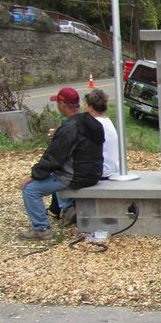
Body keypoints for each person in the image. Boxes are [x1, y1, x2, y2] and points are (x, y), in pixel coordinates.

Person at [18, 87, 104, 240]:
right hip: (94, 173)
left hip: (76, 176)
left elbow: (53, 158)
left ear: (63, 104)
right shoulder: (93, 122)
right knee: (54, 174)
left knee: (30, 190)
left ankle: (41, 229)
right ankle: (68, 208)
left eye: (57, 102)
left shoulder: (70, 128)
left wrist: (33, 176)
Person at [53, 89, 120, 226]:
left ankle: (66, 208)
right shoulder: (107, 121)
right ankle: (59, 208)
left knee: (59, 170)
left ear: (90, 106)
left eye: (85, 104)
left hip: (101, 171)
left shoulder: (91, 124)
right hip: (114, 168)